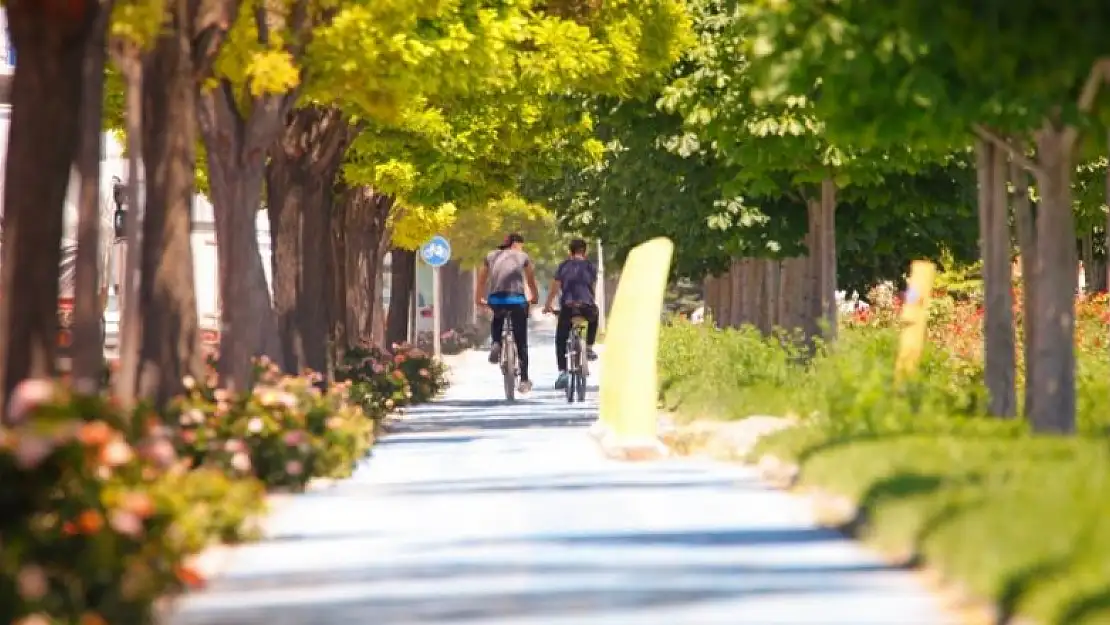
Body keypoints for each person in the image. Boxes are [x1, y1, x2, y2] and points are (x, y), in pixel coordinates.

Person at [475, 232, 539, 393]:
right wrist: (535, 297)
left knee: (497, 317)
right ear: (515, 244)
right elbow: (530, 280)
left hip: (496, 299)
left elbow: (482, 279)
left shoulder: (490, 256)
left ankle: (496, 342)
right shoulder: (522, 256)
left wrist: (478, 299)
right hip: (517, 300)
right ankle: (524, 380)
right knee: (521, 341)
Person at [542, 238, 599, 390]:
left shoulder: (563, 266)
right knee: (595, 315)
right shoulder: (590, 267)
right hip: (586, 306)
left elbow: (555, 288)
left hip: (568, 307)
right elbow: (591, 287)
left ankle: (562, 372)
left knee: (561, 338)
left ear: (570, 252)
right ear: (585, 252)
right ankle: (589, 346)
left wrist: (548, 306)